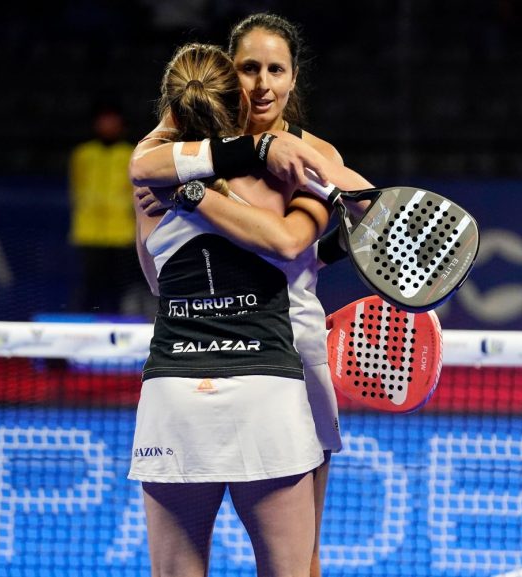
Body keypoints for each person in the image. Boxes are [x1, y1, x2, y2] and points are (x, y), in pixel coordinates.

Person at [131, 13, 370, 576]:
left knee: (304, 556)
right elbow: (142, 169)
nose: (262, 83)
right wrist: (252, 153)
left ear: (293, 79)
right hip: (239, 356)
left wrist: (341, 193)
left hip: (297, 348)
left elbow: (322, 228)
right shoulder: (180, 149)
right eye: (248, 68)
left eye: (276, 70)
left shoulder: (310, 152)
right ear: (226, 73)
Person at [67, 103, 146, 316]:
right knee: (89, 285)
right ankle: (84, 329)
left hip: (121, 231)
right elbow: (75, 188)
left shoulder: (132, 154)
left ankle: (118, 328)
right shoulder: (83, 154)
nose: (108, 125)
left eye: (113, 121)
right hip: (89, 230)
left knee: (119, 286)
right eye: (104, 120)